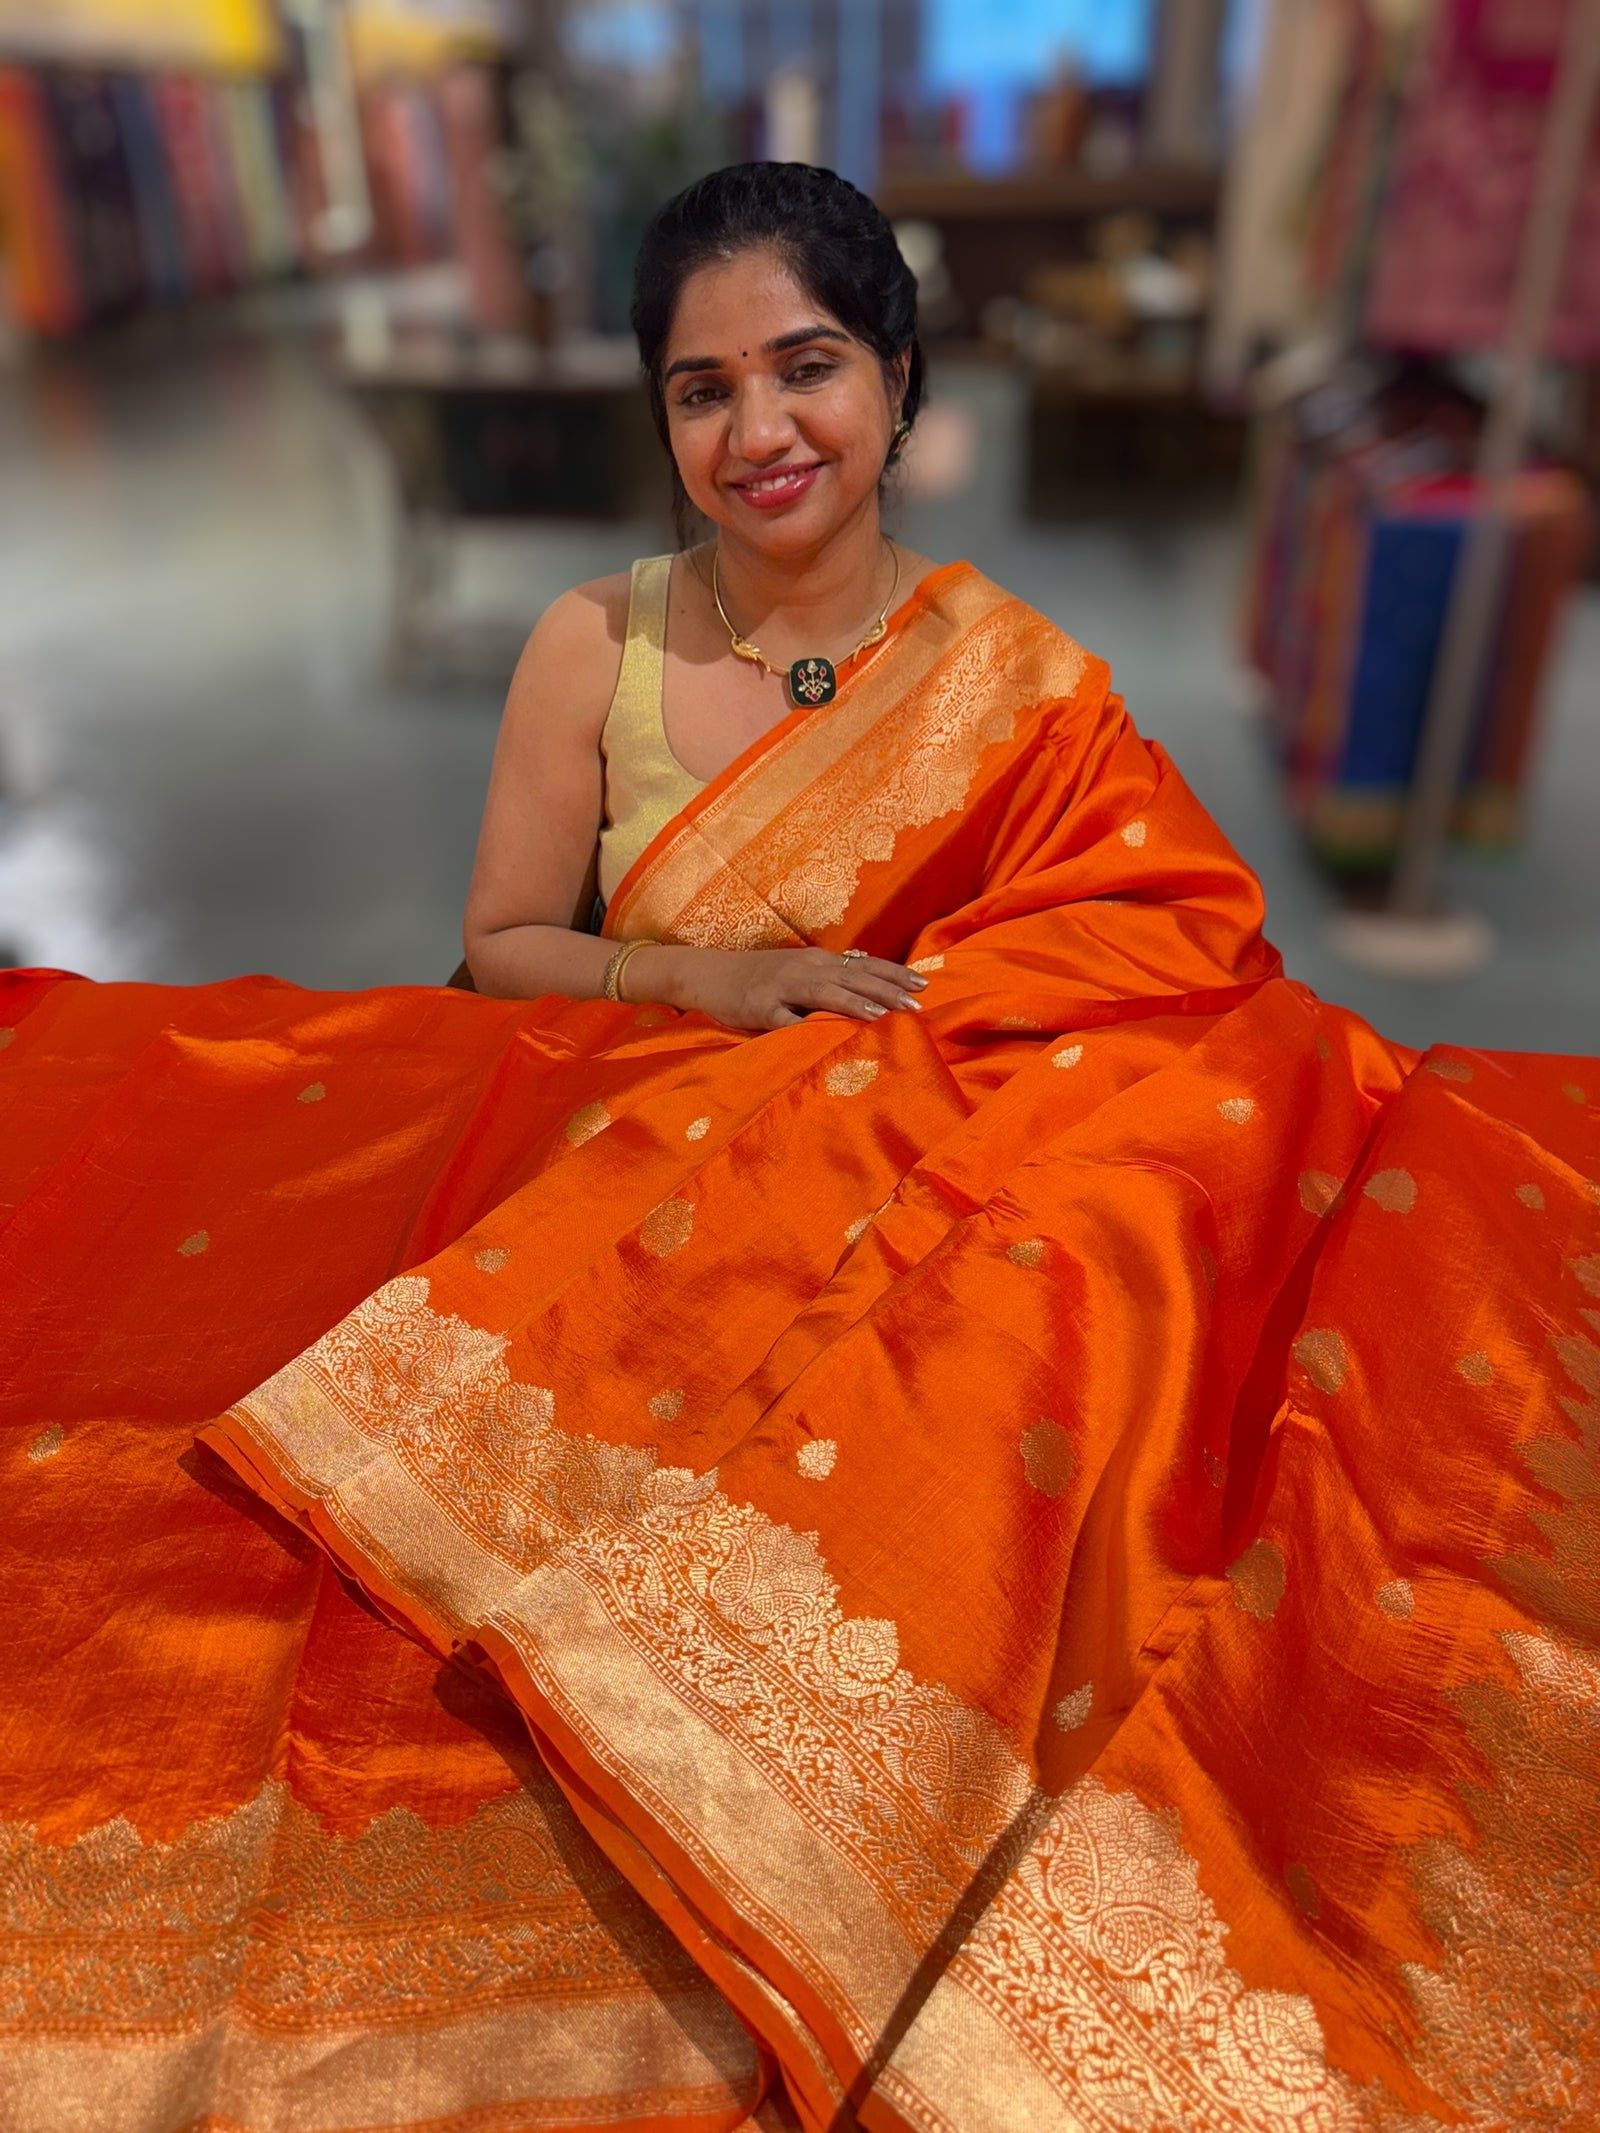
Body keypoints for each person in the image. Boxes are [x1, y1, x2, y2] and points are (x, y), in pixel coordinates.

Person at [2, 164, 1596, 2133]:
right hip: (642, 1149)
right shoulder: (593, 647)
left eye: (805, 368)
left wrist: (963, 1051)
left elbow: (1161, 940)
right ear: (657, 418)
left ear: (901, 382)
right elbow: (502, 946)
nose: (755, 432)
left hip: (909, 1152)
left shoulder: (1021, 683)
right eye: (699, 389)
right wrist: (704, 987)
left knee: (1133, 1292)